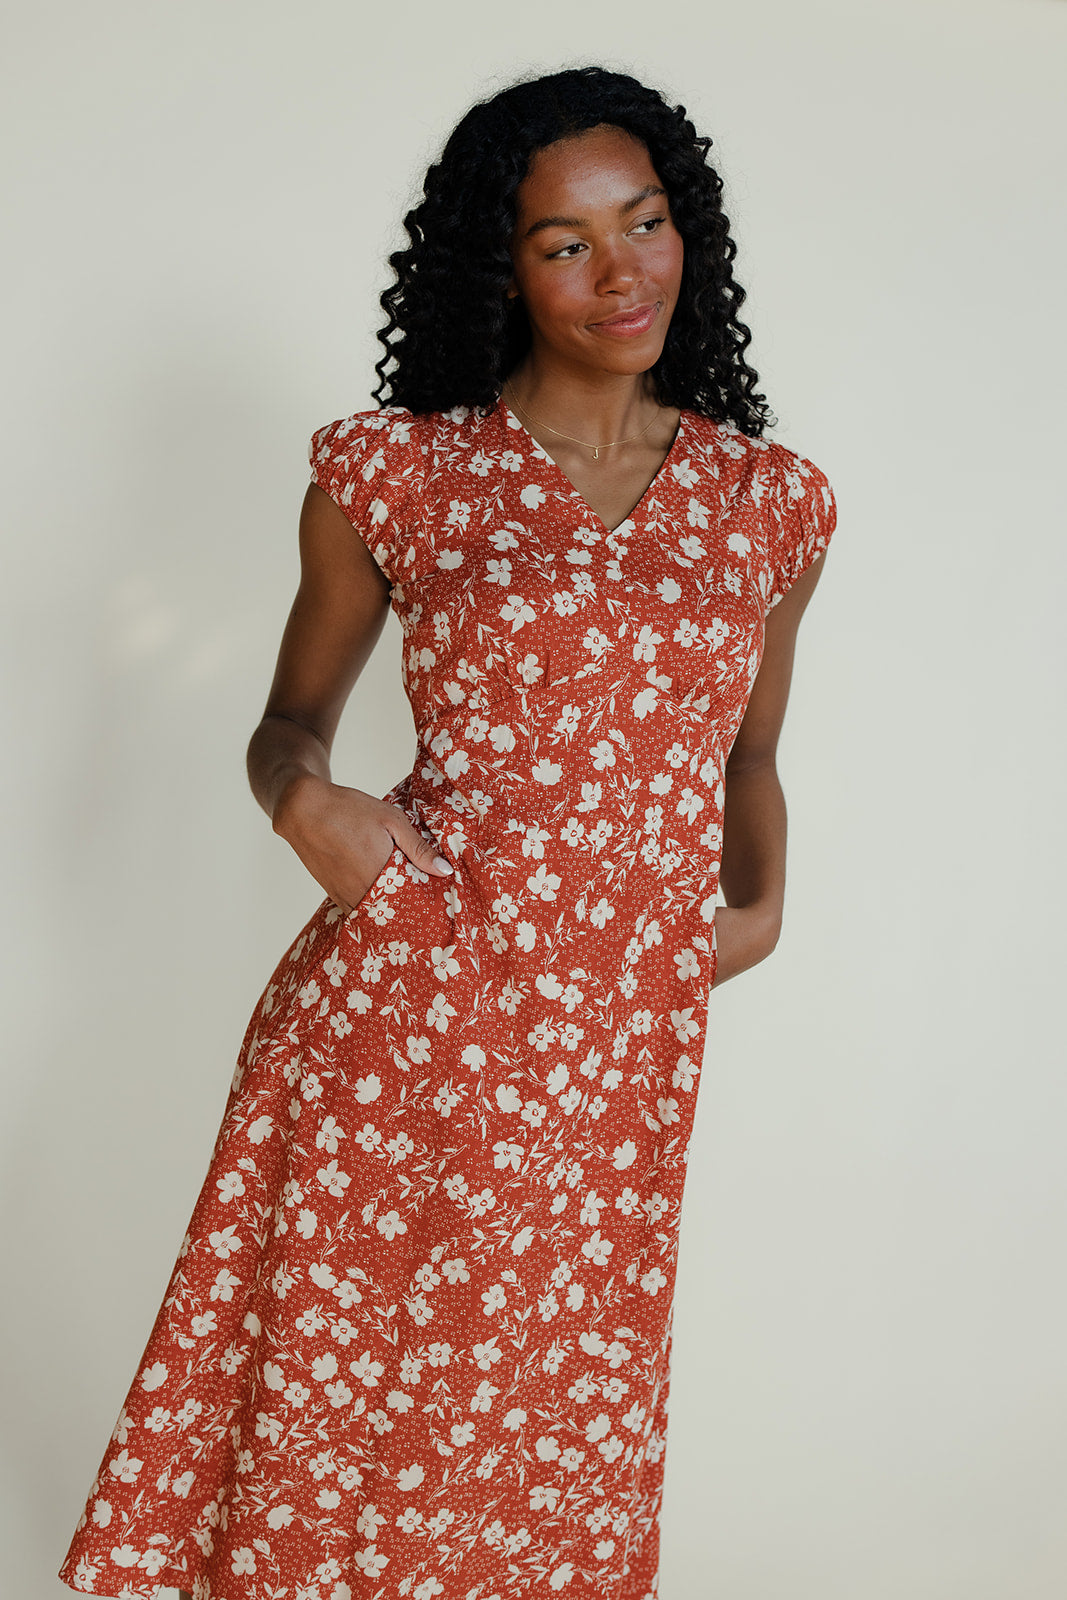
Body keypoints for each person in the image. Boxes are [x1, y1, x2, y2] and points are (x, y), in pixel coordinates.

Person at [59, 63, 837, 1600]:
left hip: (618, 1049)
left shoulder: (772, 508)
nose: (622, 272)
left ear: (692, 232)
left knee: (554, 1417)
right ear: (504, 265)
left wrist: (765, 905)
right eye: (564, 242)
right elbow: (290, 721)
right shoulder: (398, 475)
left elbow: (753, 753)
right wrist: (308, 804)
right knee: (357, 1408)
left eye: (647, 221)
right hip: (409, 1015)